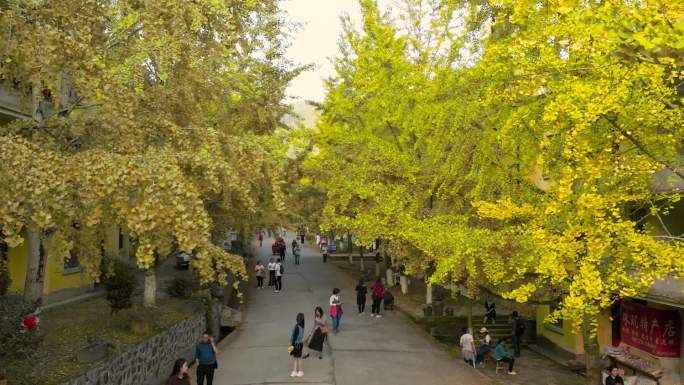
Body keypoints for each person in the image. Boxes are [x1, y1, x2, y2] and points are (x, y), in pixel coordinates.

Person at [290, 313, 305, 377]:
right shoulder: (302, 326)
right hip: (300, 344)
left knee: (296, 358)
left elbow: (294, 337)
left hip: (296, 344)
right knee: (298, 358)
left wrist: (291, 345)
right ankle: (297, 371)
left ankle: (297, 371)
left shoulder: (296, 326)